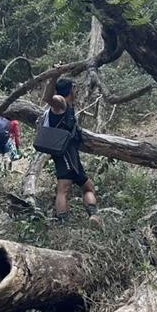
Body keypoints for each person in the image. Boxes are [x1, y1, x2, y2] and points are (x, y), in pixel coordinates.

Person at [42, 77, 100, 225]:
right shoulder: (60, 103)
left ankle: (93, 216)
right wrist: (53, 77)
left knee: (87, 186)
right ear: (70, 89)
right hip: (64, 154)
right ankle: (63, 223)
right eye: (73, 89)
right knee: (64, 188)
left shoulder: (67, 105)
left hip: (70, 154)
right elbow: (47, 98)